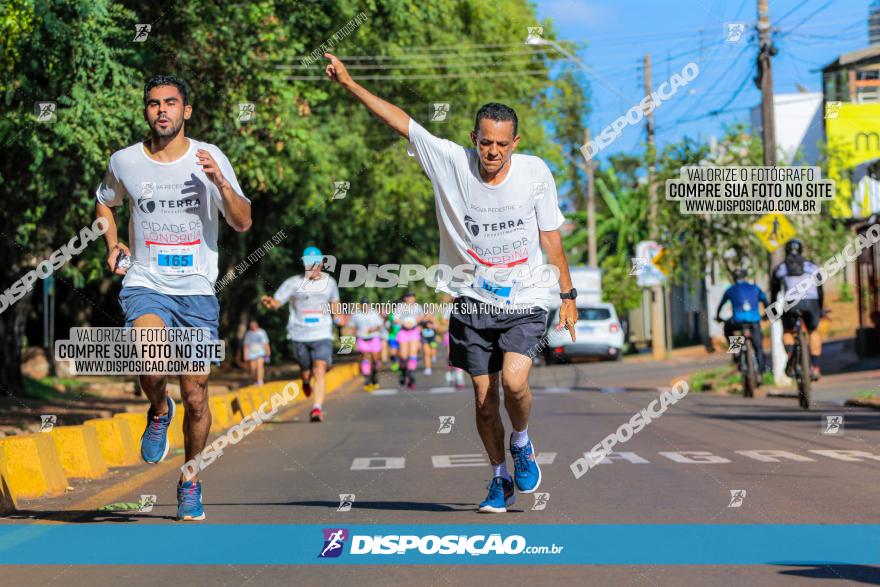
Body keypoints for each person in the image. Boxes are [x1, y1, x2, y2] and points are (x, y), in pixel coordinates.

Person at [325, 53, 578, 513]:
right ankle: (499, 477)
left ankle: (521, 440)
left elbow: (550, 237)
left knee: (516, 382)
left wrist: (568, 293)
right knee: (484, 400)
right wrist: (348, 83)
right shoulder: (450, 161)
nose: (494, 152)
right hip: (472, 297)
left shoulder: (535, 172)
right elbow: (402, 123)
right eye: (486, 143)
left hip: (526, 295)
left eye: (502, 144)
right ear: (474, 139)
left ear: (514, 142)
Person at [95, 75, 252, 521]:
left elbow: (242, 221)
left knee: (198, 394)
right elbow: (105, 202)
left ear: (186, 111)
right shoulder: (124, 161)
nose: (161, 110)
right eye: (153, 103)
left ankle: (190, 480)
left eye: (170, 103)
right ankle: (160, 409)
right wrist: (111, 244)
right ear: (145, 111)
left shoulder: (209, 157)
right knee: (150, 359)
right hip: (146, 281)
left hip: (198, 290)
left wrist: (220, 181)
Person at [262, 246, 341, 422]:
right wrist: (270, 302)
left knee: (319, 368)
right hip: (299, 334)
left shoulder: (330, 282)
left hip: (322, 333)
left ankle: (317, 408)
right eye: (309, 264)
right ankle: (305, 381)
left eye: (316, 264)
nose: (313, 267)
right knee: (306, 372)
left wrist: (338, 317)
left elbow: (335, 302)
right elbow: (277, 301)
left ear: (322, 263)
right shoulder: (293, 283)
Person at [771, 239, 824, 380]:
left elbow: (774, 292)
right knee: (813, 331)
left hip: (791, 304)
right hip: (811, 303)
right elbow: (820, 290)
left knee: (788, 331)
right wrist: (820, 308)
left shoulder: (780, 268)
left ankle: (791, 359)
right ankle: (816, 367)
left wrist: (773, 309)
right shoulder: (812, 266)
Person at [715, 268, 768, 382]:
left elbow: (721, 305)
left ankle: (736, 352)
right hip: (754, 321)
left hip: (737, 322)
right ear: (746, 277)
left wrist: (718, 317)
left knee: (728, 329)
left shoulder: (730, 290)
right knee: (758, 347)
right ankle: (760, 373)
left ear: (734, 278)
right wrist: (766, 315)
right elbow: (765, 300)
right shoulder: (755, 288)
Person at [350, 298, 384, 391]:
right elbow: (352, 326)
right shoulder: (356, 315)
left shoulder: (374, 313)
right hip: (362, 338)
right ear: (360, 305)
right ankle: (367, 379)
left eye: (367, 304)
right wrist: (354, 334)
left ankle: (375, 375)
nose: (365, 306)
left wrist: (372, 330)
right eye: (363, 304)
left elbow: (380, 325)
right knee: (365, 357)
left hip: (374, 337)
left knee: (375, 358)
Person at [394, 292, 424, 390]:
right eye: (409, 297)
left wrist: (415, 321)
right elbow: (395, 319)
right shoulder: (400, 307)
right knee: (403, 356)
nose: (411, 299)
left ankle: (411, 376)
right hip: (403, 332)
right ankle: (403, 372)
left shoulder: (418, 307)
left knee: (413, 353)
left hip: (414, 332)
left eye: (412, 297)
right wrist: (404, 322)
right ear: (405, 298)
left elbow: (421, 317)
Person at [242, 320, 270, 386]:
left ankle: (260, 381)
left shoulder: (261, 332)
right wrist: (245, 354)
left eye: (254, 326)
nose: (253, 327)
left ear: (257, 326)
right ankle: (255, 380)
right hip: (251, 354)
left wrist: (268, 350)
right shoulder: (248, 334)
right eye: (252, 326)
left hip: (261, 352)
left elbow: (265, 342)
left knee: (260, 366)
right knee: (253, 368)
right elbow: (246, 345)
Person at [420, 310, 439, 376]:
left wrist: (432, 324)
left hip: (432, 337)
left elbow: (437, 327)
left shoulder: (433, 318)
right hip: (424, 337)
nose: (427, 313)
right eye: (425, 312)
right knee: (426, 352)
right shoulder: (421, 319)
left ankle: (433, 356)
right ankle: (428, 368)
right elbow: (419, 327)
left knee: (433, 348)